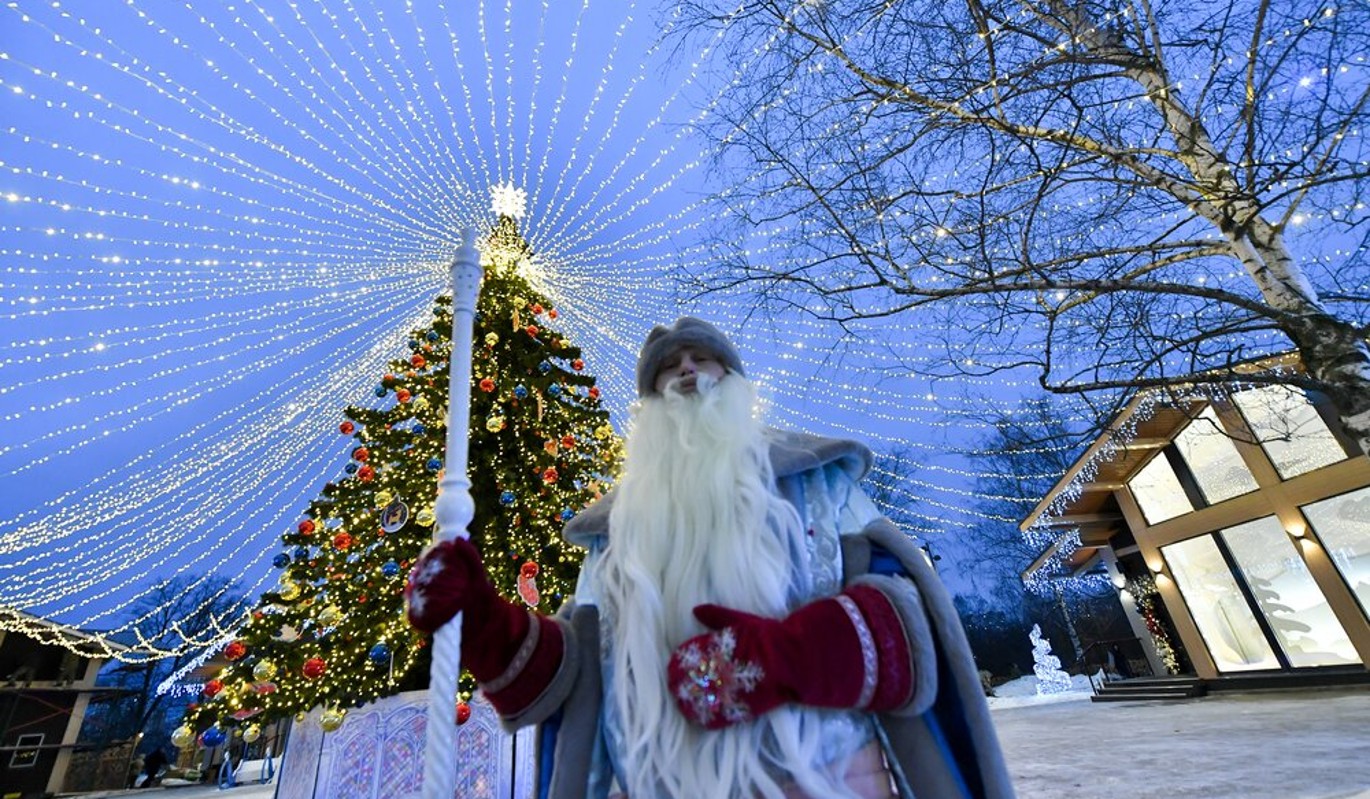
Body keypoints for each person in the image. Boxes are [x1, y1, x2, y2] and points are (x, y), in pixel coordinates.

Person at [406, 317, 1015, 798]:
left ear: (735, 379)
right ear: (649, 406)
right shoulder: (616, 533)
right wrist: (487, 623)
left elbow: (908, 615)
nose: (687, 372)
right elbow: (583, 673)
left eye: (702, 359)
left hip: (825, 778)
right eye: (668, 369)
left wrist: (786, 657)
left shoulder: (817, 482)